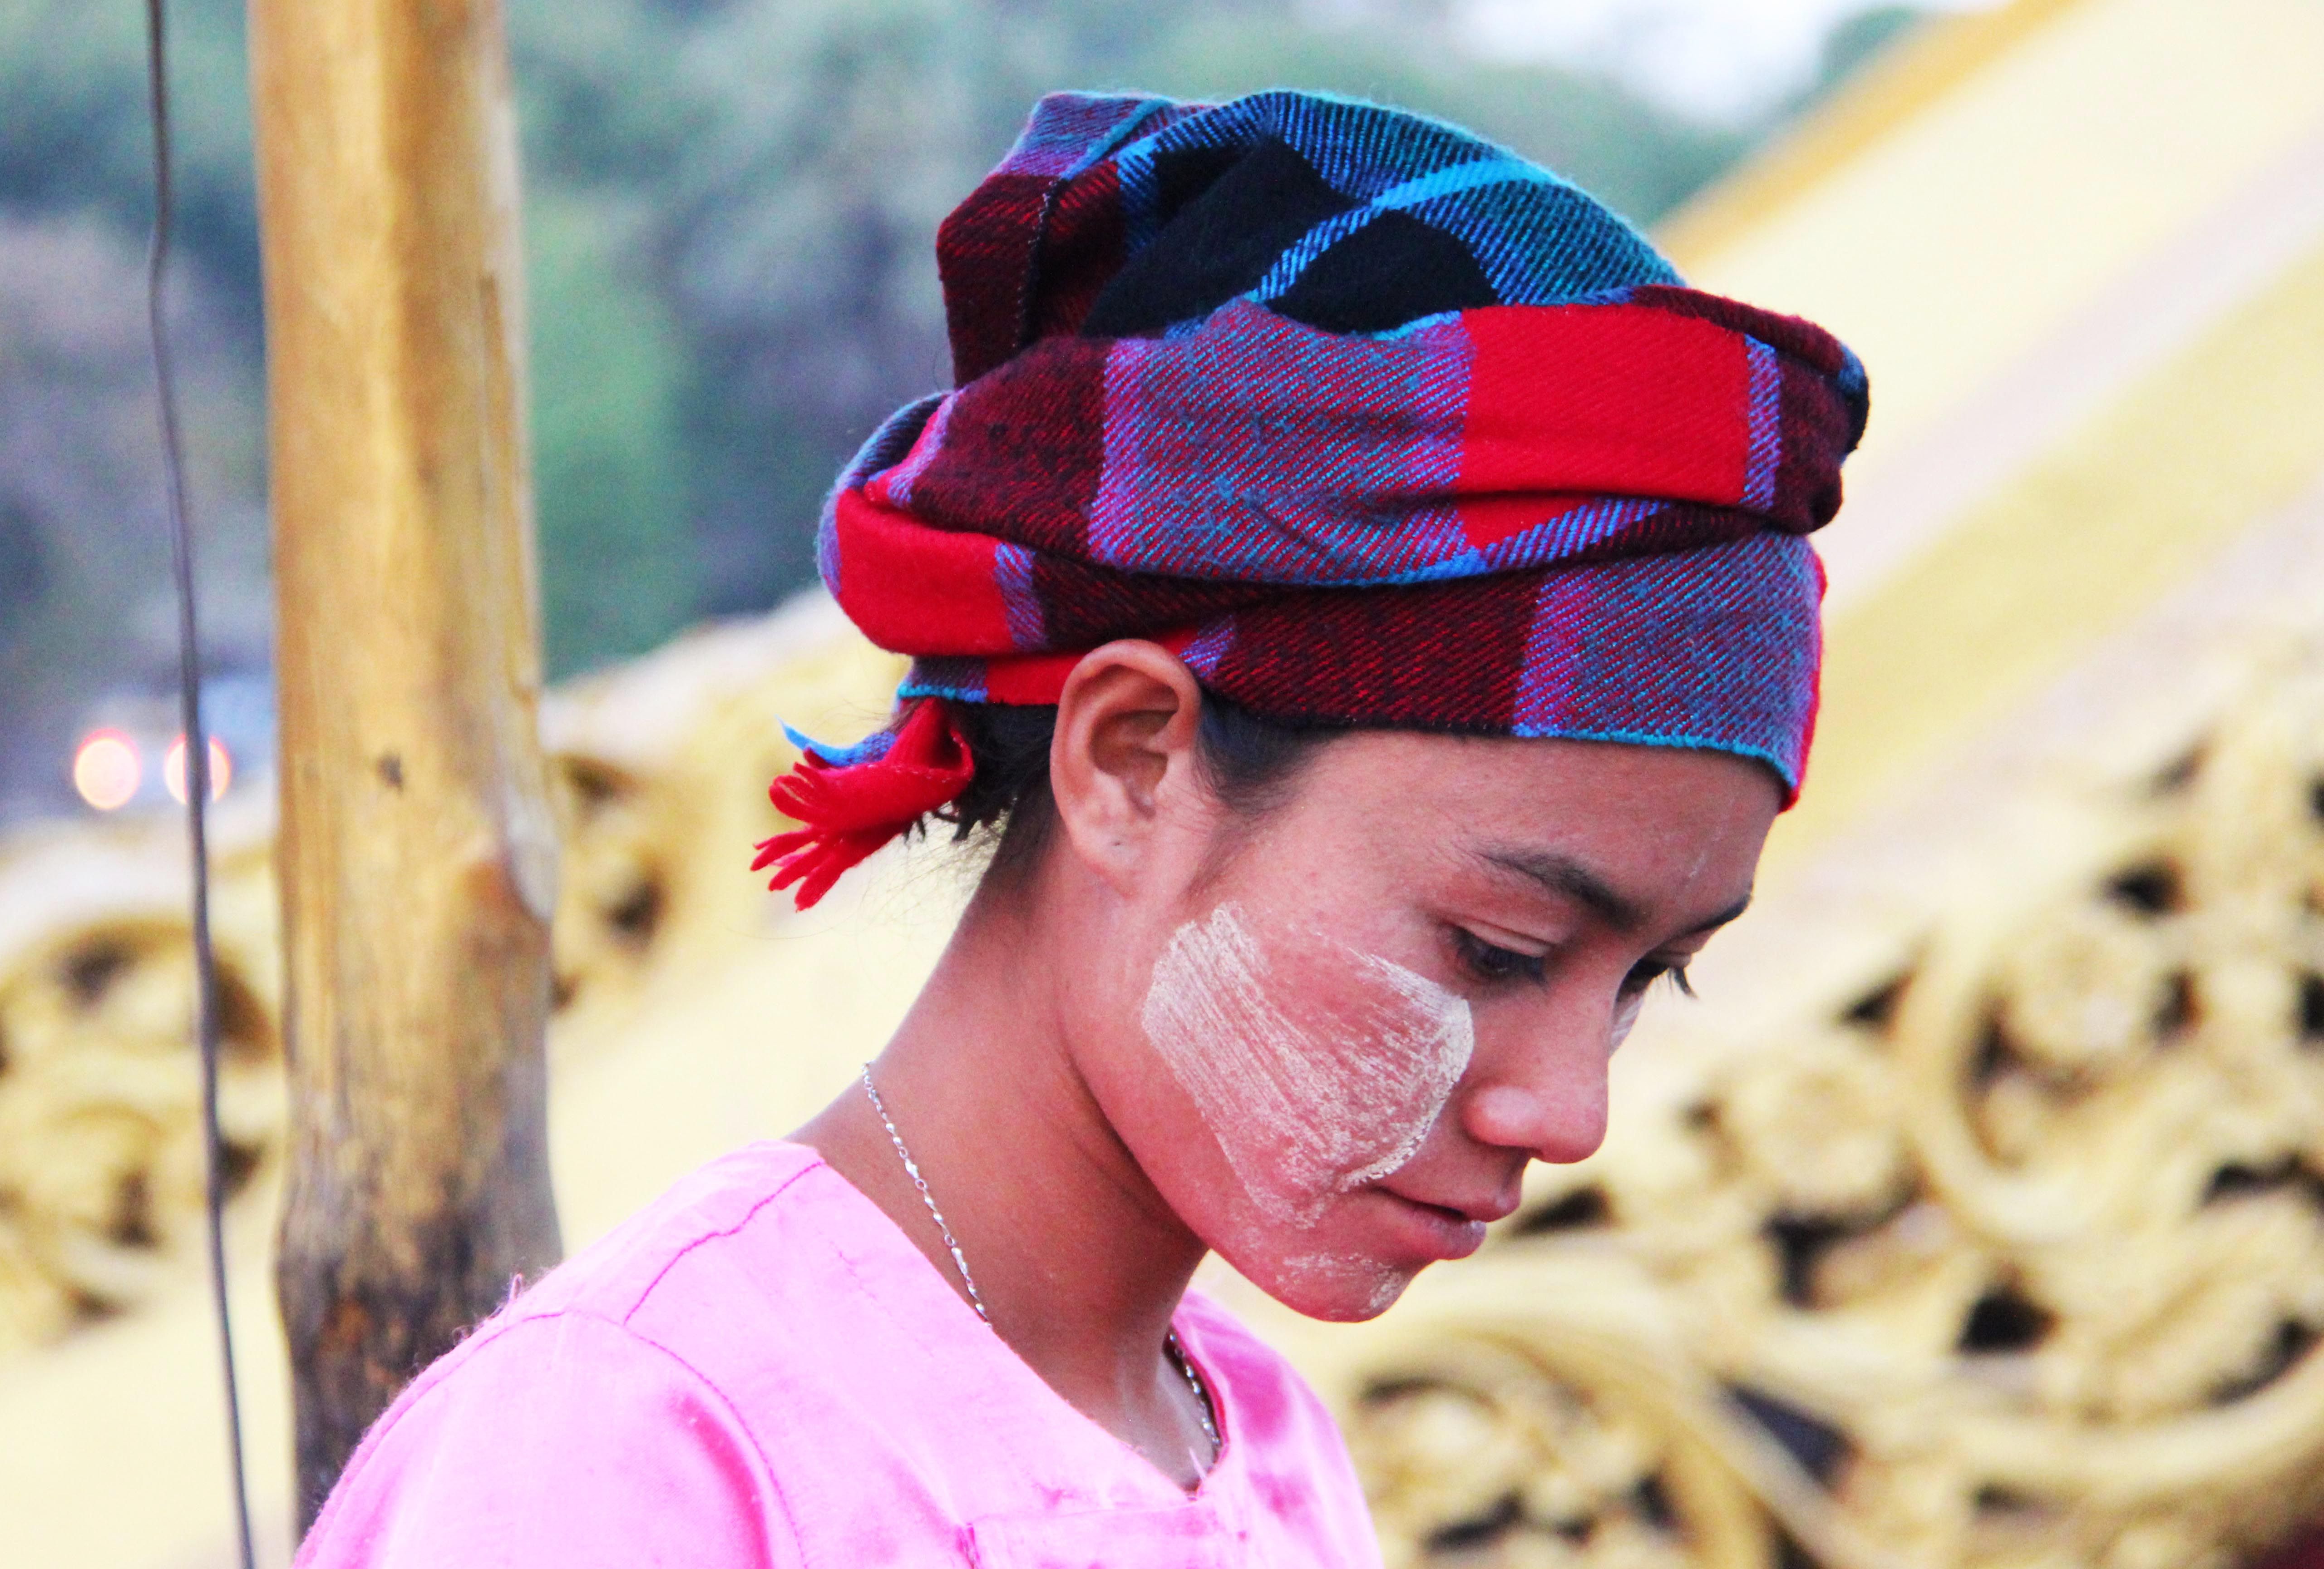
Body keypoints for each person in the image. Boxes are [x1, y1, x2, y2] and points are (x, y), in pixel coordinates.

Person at [295, 88, 1866, 1566]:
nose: (1572, 1112)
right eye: (1499, 947)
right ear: (1131, 763)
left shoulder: (1264, 1448)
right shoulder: (636, 1449)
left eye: (1648, 978)